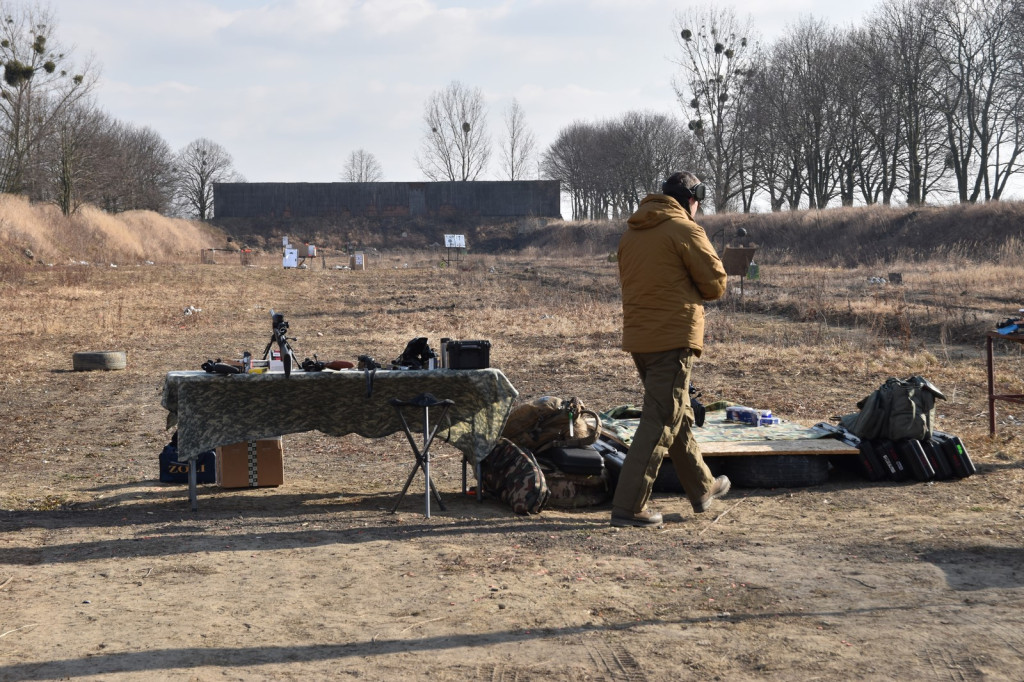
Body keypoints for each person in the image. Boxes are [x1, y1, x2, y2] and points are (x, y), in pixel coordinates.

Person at [611, 171, 731, 528]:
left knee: (673, 413)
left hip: (641, 338)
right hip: (673, 338)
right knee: (660, 420)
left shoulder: (632, 233)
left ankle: (702, 486)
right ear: (691, 199)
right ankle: (629, 506)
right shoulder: (685, 230)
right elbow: (715, 285)